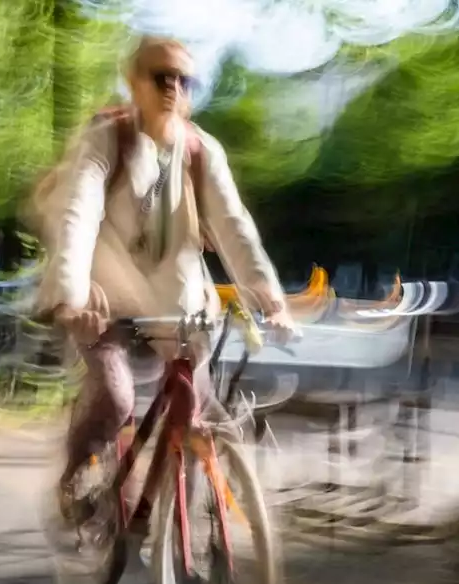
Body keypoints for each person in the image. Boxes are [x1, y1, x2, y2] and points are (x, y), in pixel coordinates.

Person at [32, 36, 294, 529]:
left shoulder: (200, 150)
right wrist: (71, 294)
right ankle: (75, 477)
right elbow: (77, 214)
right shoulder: (108, 137)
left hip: (174, 302)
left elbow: (234, 226)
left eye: (183, 79)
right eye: (161, 76)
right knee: (116, 395)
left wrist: (269, 296)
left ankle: (181, 534)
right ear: (134, 83)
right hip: (101, 294)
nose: (173, 87)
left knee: (196, 413)